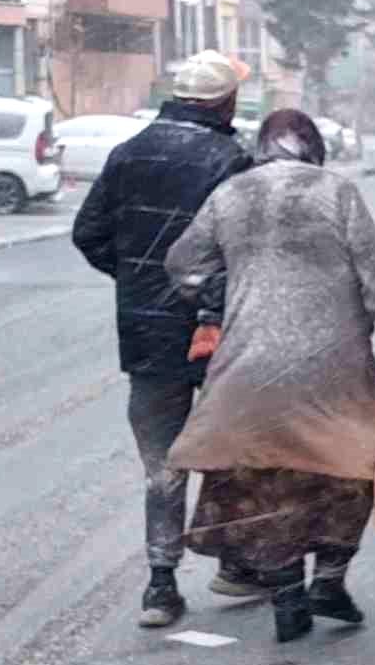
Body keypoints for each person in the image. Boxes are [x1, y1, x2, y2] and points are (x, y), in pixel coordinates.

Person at [163, 109, 375, 643]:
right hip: (333, 366)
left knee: (267, 480)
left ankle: (288, 593)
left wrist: (222, 294)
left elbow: (182, 263)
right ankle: (329, 580)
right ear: (314, 148)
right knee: (349, 469)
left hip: (248, 365)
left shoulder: (230, 195)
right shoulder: (336, 194)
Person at [71, 50, 257, 628]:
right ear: (225, 102)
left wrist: (135, 277)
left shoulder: (126, 155)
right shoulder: (229, 160)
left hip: (147, 333)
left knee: (162, 463)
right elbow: (241, 251)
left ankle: (160, 584)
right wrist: (211, 302)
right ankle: (235, 563)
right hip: (217, 332)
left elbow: (89, 233)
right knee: (230, 449)